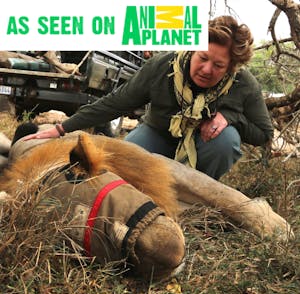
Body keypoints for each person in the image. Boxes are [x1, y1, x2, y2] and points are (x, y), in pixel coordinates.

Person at [24, 16, 274, 180]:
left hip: (204, 146)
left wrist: (231, 117)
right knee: (126, 156)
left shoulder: (244, 84)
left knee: (226, 140)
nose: (207, 70)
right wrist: (60, 128)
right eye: (203, 58)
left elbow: (264, 133)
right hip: (158, 133)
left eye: (219, 65)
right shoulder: (162, 66)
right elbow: (115, 103)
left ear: (232, 67)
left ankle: (200, 192)